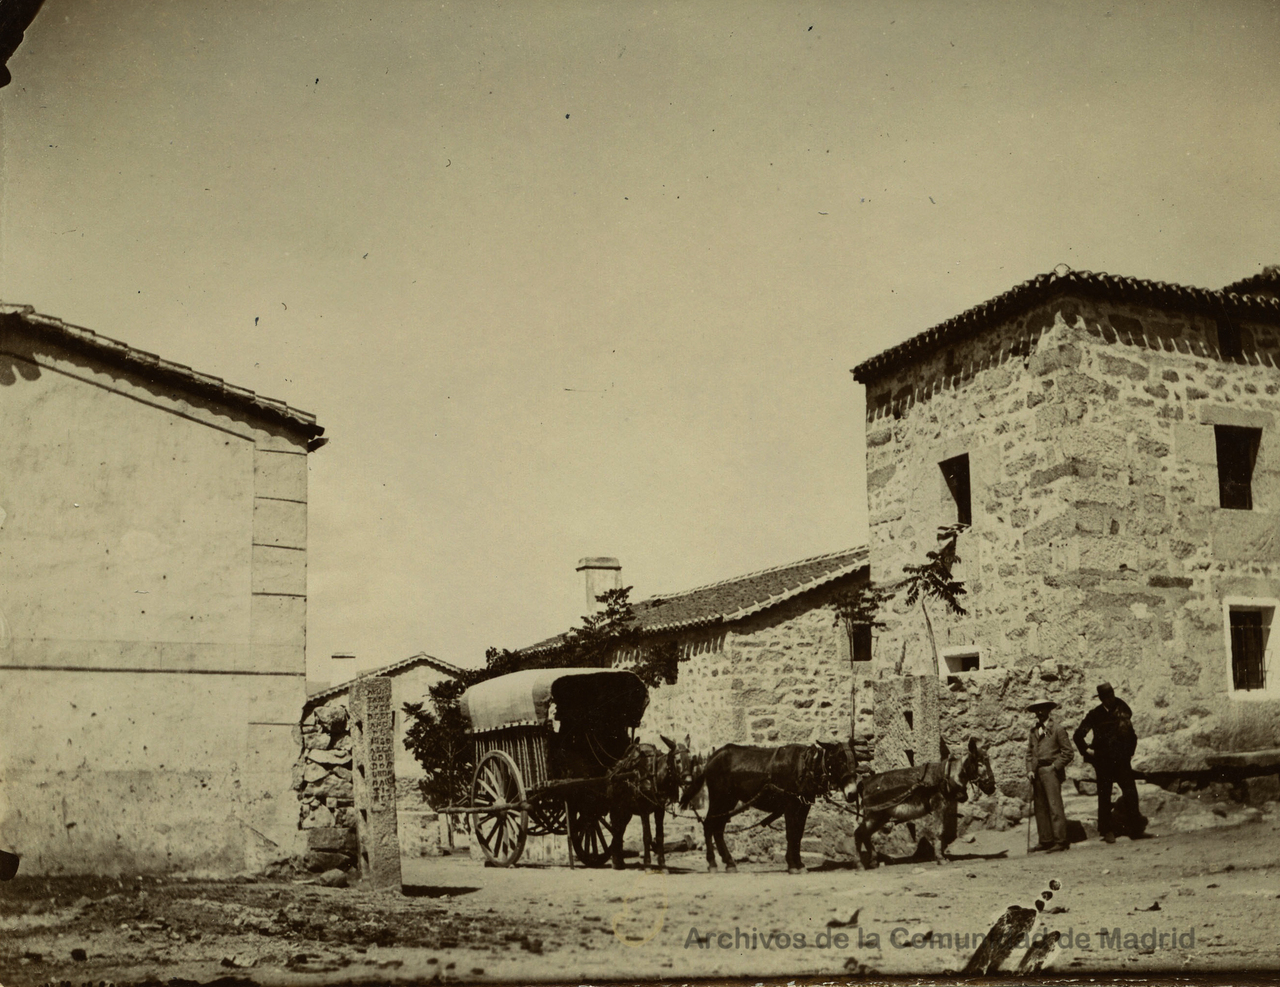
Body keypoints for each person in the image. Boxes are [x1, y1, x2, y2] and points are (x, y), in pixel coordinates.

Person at [1073, 682, 1147, 843]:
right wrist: (1087, 751)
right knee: (1104, 794)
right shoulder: (1095, 714)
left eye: (1111, 695)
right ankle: (1106, 830)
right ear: (1101, 699)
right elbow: (1078, 735)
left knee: (1131, 792)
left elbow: (1131, 735)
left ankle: (1136, 829)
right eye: (1106, 697)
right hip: (1103, 761)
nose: (1110, 699)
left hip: (1121, 760)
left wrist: (1129, 752)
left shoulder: (1122, 710)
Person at [1026, 698, 1074, 853]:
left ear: (1049, 710)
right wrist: (1030, 770)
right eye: (1037, 710)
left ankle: (1060, 841)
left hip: (1051, 771)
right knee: (1040, 808)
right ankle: (1045, 840)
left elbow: (1068, 753)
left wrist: (1054, 767)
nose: (1040, 712)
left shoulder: (1058, 729)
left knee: (1054, 806)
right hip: (1037, 772)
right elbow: (1029, 754)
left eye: (1043, 709)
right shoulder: (1033, 732)